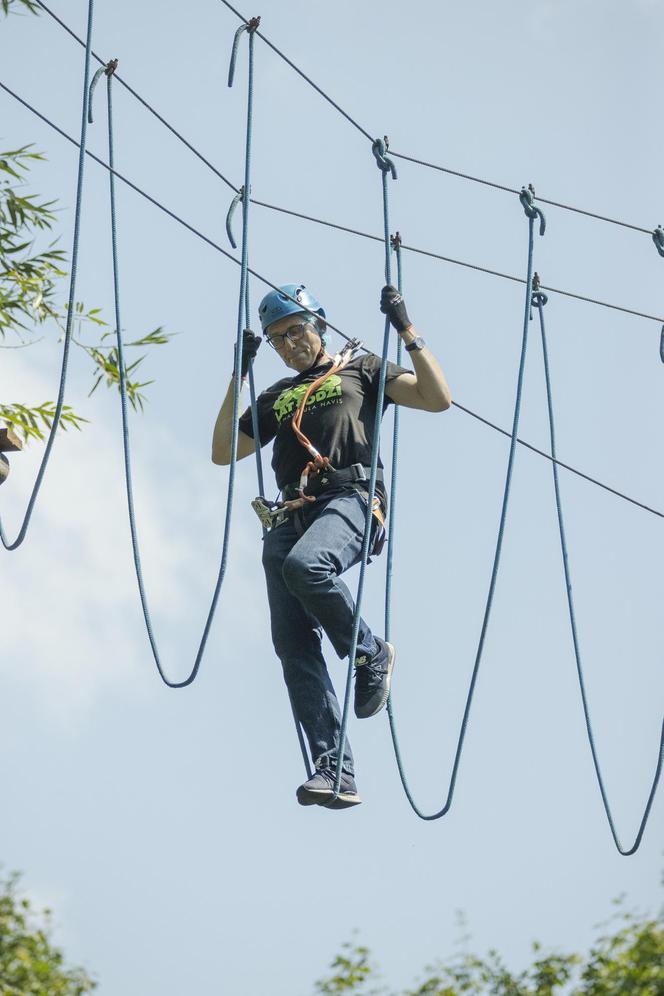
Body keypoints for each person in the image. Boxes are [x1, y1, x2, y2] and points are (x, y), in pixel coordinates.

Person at [211, 283, 451, 809]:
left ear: (320, 325)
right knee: (293, 645)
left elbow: (437, 399)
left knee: (308, 567)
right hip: (290, 513)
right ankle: (334, 770)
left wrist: (407, 330)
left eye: (297, 329)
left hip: (351, 498)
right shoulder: (277, 396)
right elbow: (224, 449)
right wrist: (241, 373)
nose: (291, 342)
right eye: (278, 338)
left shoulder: (362, 369)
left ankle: (369, 653)